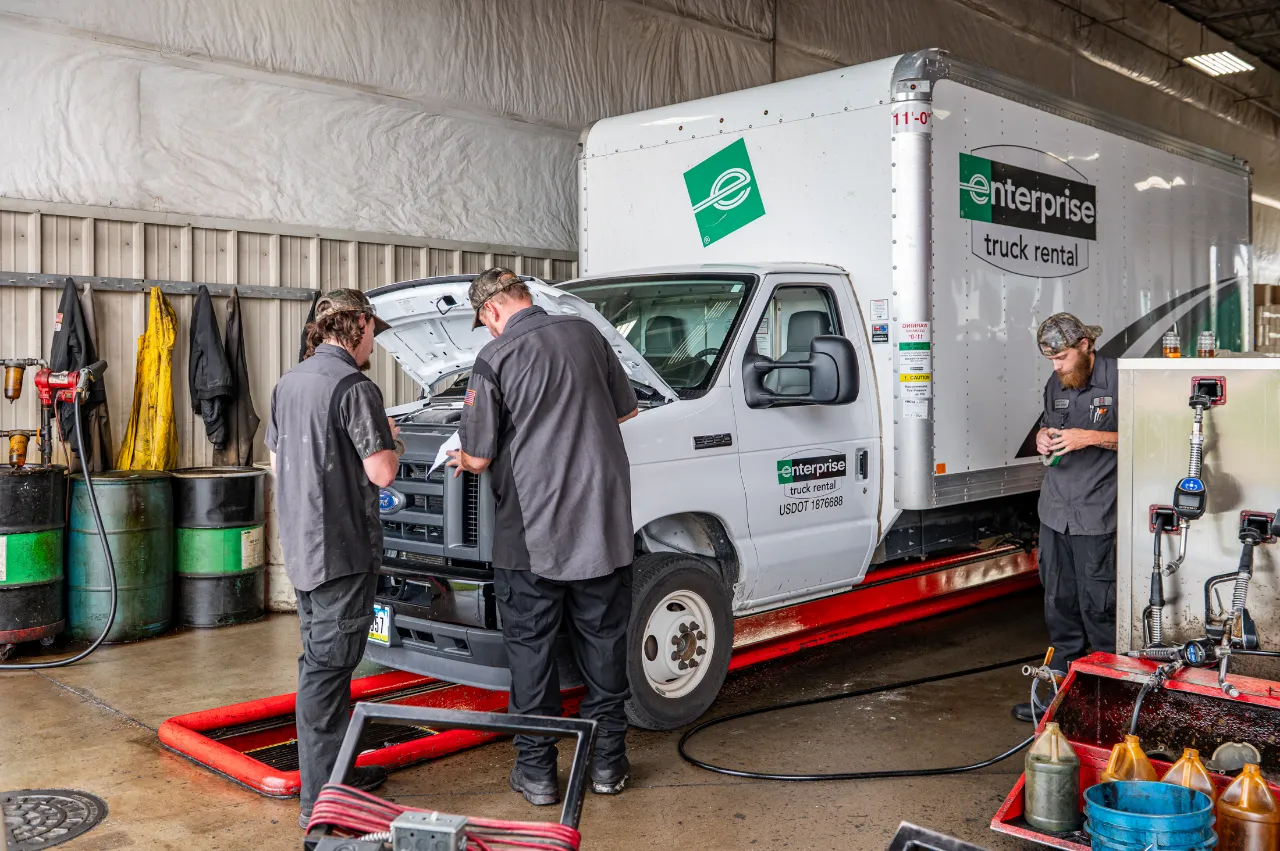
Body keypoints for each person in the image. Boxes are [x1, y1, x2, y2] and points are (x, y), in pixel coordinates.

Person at [446, 268, 639, 805]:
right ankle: (608, 766)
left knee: (531, 652)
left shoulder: (496, 357)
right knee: (604, 644)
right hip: (602, 523)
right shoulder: (587, 333)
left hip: (532, 536)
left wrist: (461, 455)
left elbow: (480, 456)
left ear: (490, 312)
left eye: (483, 323)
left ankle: (537, 775)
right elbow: (627, 410)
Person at [266, 289, 404, 827]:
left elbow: (279, 463)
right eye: (374, 332)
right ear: (360, 325)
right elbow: (382, 474)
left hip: (302, 548)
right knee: (326, 674)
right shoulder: (355, 386)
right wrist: (388, 439)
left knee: (324, 664)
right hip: (343, 553)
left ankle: (337, 774)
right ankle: (320, 806)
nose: (374, 343)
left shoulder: (288, 382)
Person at [1013, 313, 1119, 723]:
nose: (1057, 367)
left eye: (1062, 357)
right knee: (1059, 606)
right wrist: (1043, 436)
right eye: (1051, 360)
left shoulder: (1120, 380)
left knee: (1099, 610)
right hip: (1056, 512)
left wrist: (1090, 436)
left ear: (1086, 346)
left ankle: (1106, 706)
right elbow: (1050, 426)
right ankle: (1056, 701)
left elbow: (1150, 436)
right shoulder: (1055, 383)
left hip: (1098, 514)